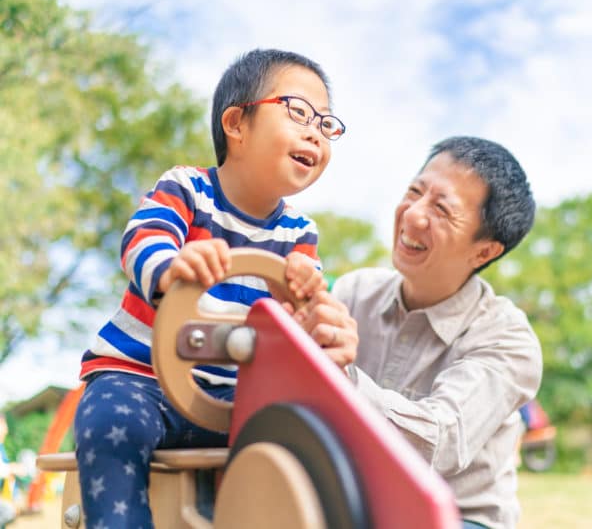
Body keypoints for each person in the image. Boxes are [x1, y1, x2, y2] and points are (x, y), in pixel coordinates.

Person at [73, 48, 347, 528]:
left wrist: (303, 298)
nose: (314, 132)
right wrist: (172, 265)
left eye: (326, 124)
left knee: (301, 446)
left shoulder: (300, 234)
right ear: (237, 124)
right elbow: (143, 238)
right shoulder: (187, 189)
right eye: (299, 112)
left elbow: (300, 322)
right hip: (142, 378)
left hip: (233, 401)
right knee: (108, 426)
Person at [290, 136, 542, 529]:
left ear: (484, 252)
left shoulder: (507, 339)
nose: (413, 216)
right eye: (414, 191)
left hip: (458, 519)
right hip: (361, 505)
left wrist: (336, 378)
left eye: (442, 209)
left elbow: (438, 441)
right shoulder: (355, 292)